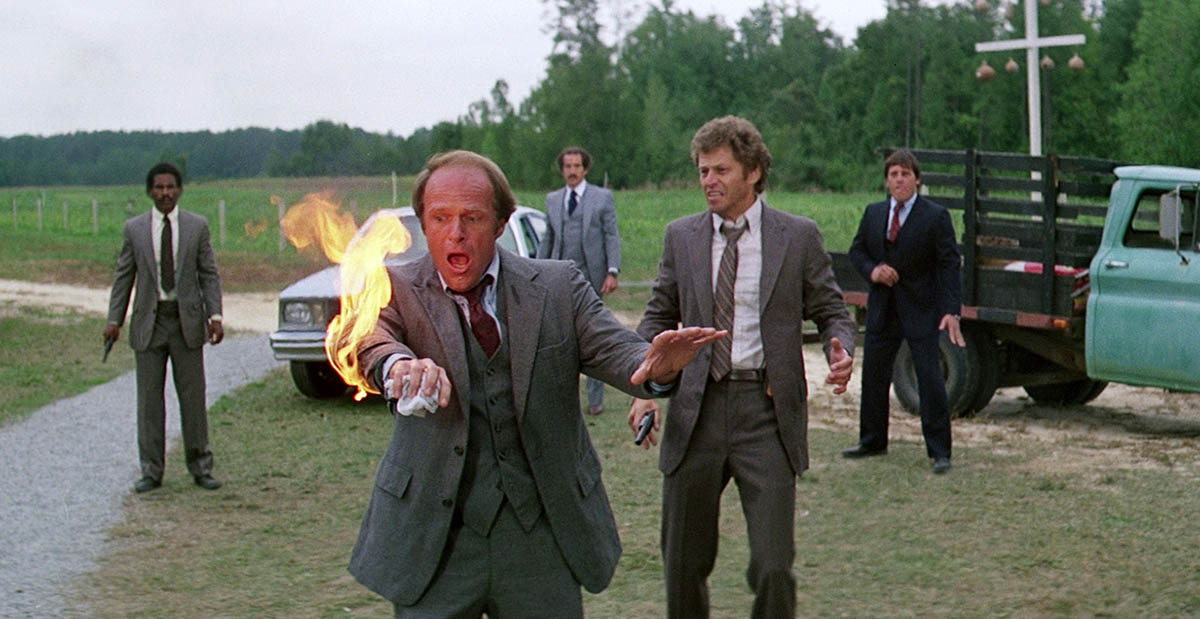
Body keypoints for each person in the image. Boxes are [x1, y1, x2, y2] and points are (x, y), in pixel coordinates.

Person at [348, 150, 724, 618]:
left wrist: (657, 366)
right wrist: (397, 366)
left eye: (472, 218)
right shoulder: (392, 288)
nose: (455, 232)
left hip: (540, 533)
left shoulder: (557, 286)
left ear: (501, 223)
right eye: (440, 218)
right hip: (435, 539)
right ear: (424, 224)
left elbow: (621, 353)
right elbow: (369, 341)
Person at [628, 116, 856, 618]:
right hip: (696, 410)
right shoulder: (681, 237)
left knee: (774, 566)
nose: (709, 181)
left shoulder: (797, 237)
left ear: (753, 172)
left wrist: (840, 348)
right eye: (703, 171)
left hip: (766, 414)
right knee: (681, 563)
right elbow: (657, 318)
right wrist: (644, 388)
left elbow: (831, 310)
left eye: (721, 170)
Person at [104, 162, 224, 493]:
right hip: (149, 324)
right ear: (149, 192)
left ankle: (201, 467)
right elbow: (123, 277)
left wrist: (215, 316)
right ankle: (151, 471)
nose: (165, 193)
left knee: (193, 399)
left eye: (171, 187)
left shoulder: (197, 226)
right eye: (159, 187)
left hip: (187, 323)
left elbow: (209, 274)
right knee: (149, 402)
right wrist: (114, 320)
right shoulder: (135, 229)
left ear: (180, 190)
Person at [842, 148, 964, 474]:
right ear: (887, 181)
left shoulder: (935, 216)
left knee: (930, 379)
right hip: (883, 308)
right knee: (874, 375)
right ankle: (872, 441)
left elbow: (949, 265)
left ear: (917, 179)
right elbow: (857, 251)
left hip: (921, 309)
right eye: (893, 174)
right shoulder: (874, 213)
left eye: (905, 174)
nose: (899, 180)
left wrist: (951, 309)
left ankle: (940, 451)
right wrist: (873, 271)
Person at [537, 146, 621, 415]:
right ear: (562, 170)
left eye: (576, 166)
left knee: (592, 335)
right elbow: (548, 239)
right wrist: (537, 269)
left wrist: (612, 270)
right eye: (568, 166)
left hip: (592, 276)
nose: (572, 171)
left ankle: (595, 401)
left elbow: (611, 235)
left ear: (585, 169)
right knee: (561, 336)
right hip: (560, 278)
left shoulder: (602, 198)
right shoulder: (553, 200)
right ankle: (564, 398)